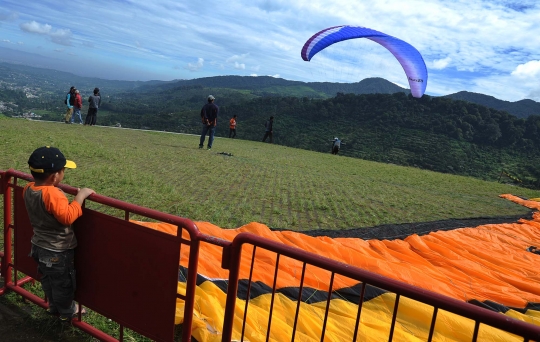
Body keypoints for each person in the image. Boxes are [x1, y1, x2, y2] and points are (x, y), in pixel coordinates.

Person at [24, 146, 95, 322]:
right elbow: (67, 217)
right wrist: (81, 196)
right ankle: (67, 311)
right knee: (63, 283)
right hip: (57, 251)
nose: (63, 174)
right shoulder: (53, 194)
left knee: (48, 279)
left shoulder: (28, 188)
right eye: (63, 170)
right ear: (55, 176)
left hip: (38, 246)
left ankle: (53, 306)